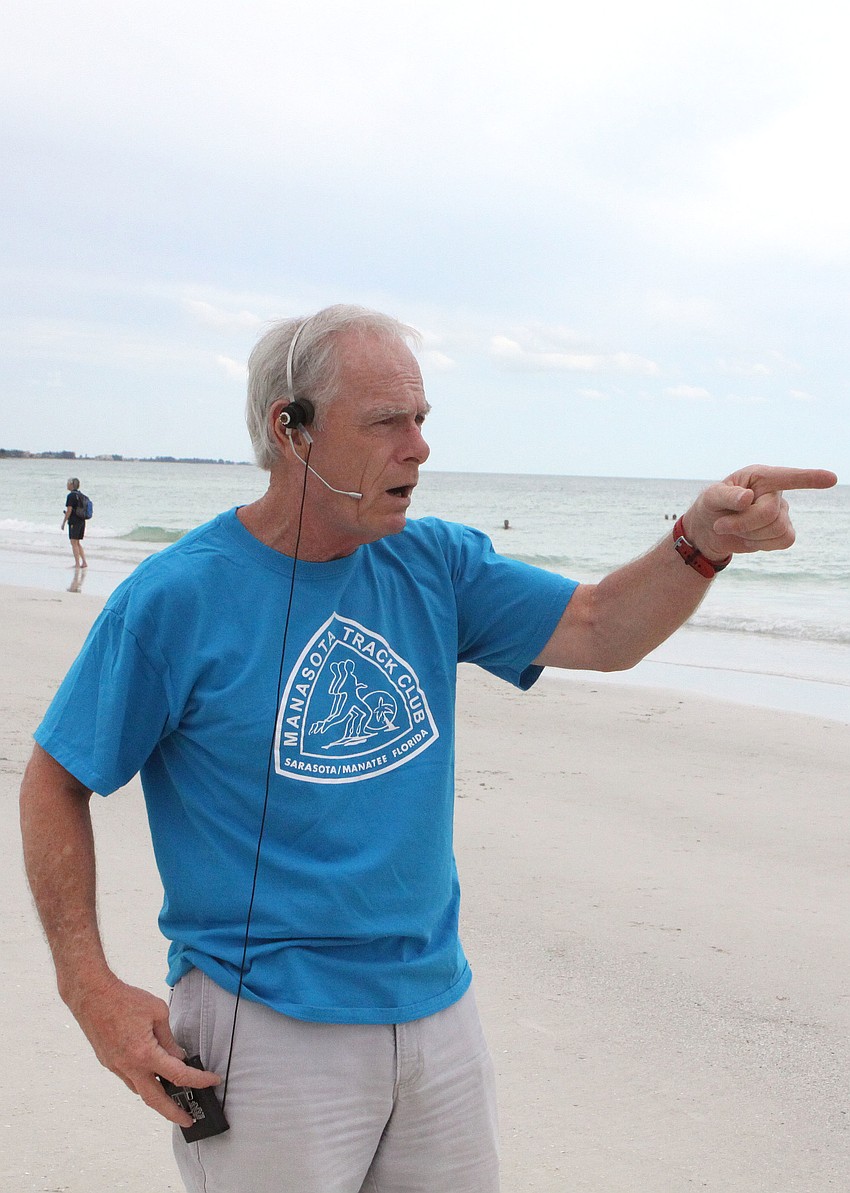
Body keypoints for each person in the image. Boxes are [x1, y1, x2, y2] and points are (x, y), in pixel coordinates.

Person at [20, 305, 837, 1193]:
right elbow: (56, 777)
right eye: (386, 422)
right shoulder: (177, 597)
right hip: (266, 1026)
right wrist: (88, 987)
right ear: (288, 430)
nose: (419, 447)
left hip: (438, 1012)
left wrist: (700, 544)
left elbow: (602, 628)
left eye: (422, 419)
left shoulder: (433, 563)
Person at [61, 477, 88, 569]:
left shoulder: (71, 496)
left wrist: (64, 522)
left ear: (72, 485)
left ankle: (77, 563)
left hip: (74, 521)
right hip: (82, 520)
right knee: (77, 542)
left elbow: (69, 510)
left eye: (68, 483)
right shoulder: (81, 495)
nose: (67, 484)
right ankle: (84, 562)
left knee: (73, 542)